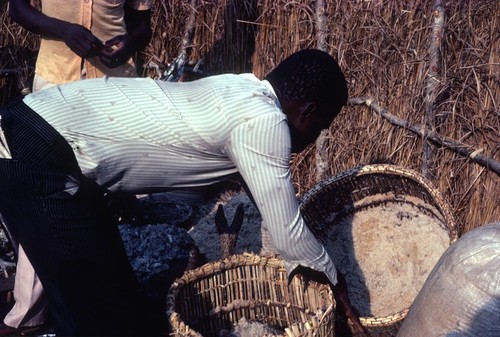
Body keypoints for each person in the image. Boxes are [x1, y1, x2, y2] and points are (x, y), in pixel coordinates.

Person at [0, 49, 365, 335]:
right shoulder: (264, 122)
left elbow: (269, 202)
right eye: (319, 127)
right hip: (39, 152)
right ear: (308, 110)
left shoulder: (242, 88)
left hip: (40, 129)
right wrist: (337, 282)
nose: (313, 137)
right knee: (97, 316)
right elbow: (289, 237)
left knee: (119, 297)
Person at [1, 0, 152, 334]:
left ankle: (110, 307)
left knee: (108, 200)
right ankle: (28, 312)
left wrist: (129, 44)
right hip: (56, 84)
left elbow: (143, 25)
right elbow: (17, 9)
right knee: (45, 197)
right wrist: (64, 30)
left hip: (115, 88)